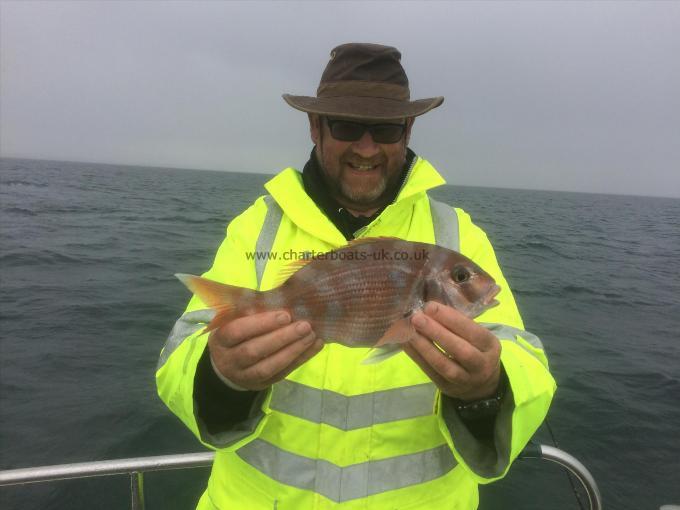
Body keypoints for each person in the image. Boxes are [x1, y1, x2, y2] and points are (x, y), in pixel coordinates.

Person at [156, 43, 556, 510]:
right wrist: (219, 376)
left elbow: (527, 368)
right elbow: (178, 358)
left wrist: (488, 389)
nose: (366, 147)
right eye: (346, 126)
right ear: (315, 128)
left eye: (384, 129)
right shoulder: (257, 227)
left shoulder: (458, 234)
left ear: (407, 129)